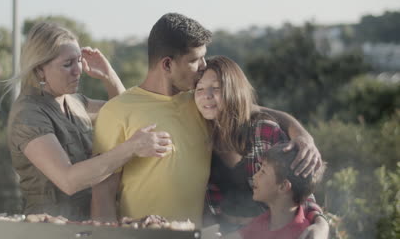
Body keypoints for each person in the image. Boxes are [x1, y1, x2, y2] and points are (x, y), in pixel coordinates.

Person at [91, 13, 322, 226]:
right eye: (196, 60)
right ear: (168, 64)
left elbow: (250, 109)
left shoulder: (199, 101)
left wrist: (300, 134)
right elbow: (103, 195)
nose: (203, 67)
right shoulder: (116, 111)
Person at [7, 22, 172, 221]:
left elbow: (123, 115)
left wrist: (108, 76)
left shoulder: (75, 102)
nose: (78, 70)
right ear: (40, 70)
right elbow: (68, 180)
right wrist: (131, 148)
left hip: (88, 225)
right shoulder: (28, 113)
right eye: (67, 64)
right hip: (50, 230)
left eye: (78, 61)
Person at [194, 55, 328, 238]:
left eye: (216, 88)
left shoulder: (263, 131)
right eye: (199, 88)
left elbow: (293, 185)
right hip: (222, 232)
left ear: (234, 90)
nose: (206, 95)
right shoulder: (197, 132)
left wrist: (320, 222)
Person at [235, 143, 326, 239]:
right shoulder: (263, 221)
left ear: (283, 186)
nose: (254, 176)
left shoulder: (303, 235)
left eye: (263, 172)